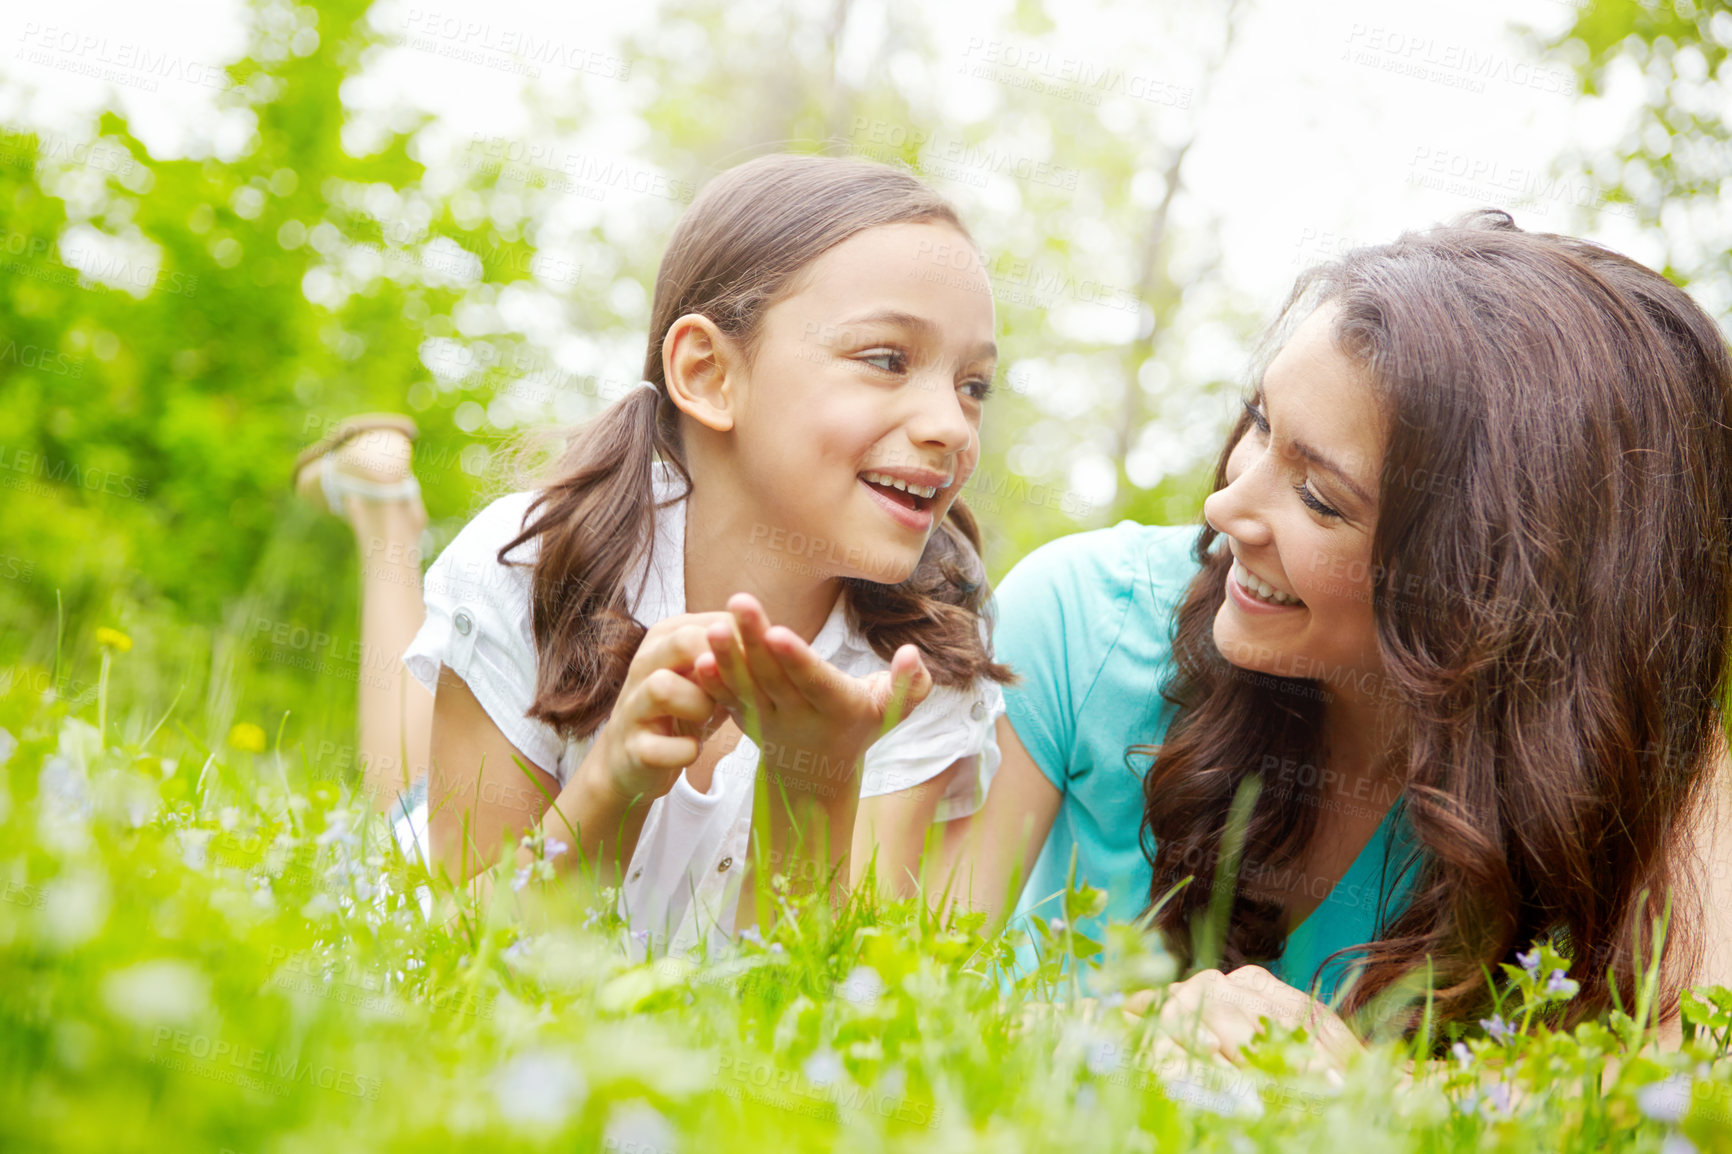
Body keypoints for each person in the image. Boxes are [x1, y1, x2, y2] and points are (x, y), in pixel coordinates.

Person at [945, 210, 1732, 1054]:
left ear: (1489, 587)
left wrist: (1375, 1101)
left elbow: (1677, 1098)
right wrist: (1128, 1035)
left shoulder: (1640, 776)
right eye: (1258, 422)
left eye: (1320, 498)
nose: (1225, 507)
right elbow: (893, 989)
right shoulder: (1082, 622)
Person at [293, 153, 1014, 954]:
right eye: (887, 359)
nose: (951, 423)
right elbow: (466, 958)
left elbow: (801, 1007)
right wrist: (614, 779)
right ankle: (385, 518)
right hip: (480, 864)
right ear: (708, 374)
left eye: (973, 386)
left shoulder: (926, 654)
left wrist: (814, 777)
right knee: (402, 791)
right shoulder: (530, 561)